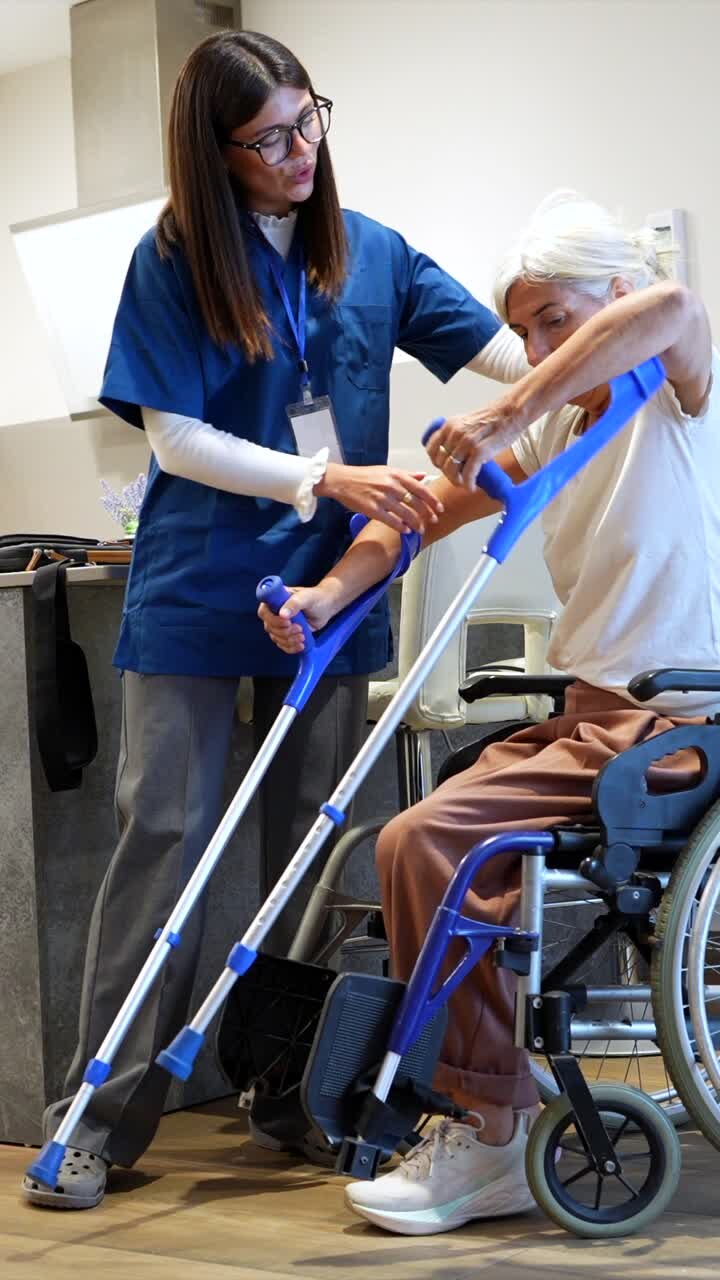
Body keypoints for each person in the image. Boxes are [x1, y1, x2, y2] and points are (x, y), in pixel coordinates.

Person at [23, 29, 527, 1211]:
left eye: (311, 122)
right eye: (268, 139)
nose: (300, 153)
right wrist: (325, 480)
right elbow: (175, 439)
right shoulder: (175, 259)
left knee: (314, 841)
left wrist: (593, 352)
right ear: (217, 148)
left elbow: (508, 358)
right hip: (204, 583)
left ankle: (289, 1088)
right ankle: (99, 1115)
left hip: (341, 584)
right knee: (171, 839)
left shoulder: (376, 253)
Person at [260, 190, 717, 1235]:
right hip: (593, 721)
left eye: (556, 316)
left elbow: (678, 306)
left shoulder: (678, 390)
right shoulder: (561, 422)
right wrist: (326, 597)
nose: (536, 343)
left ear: (615, 293)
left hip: (674, 725)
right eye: (522, 328)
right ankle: (487, 1097)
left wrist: (503, 408)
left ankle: (489, 1124)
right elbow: (417, 512)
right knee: (424, 839)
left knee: (424, 841)